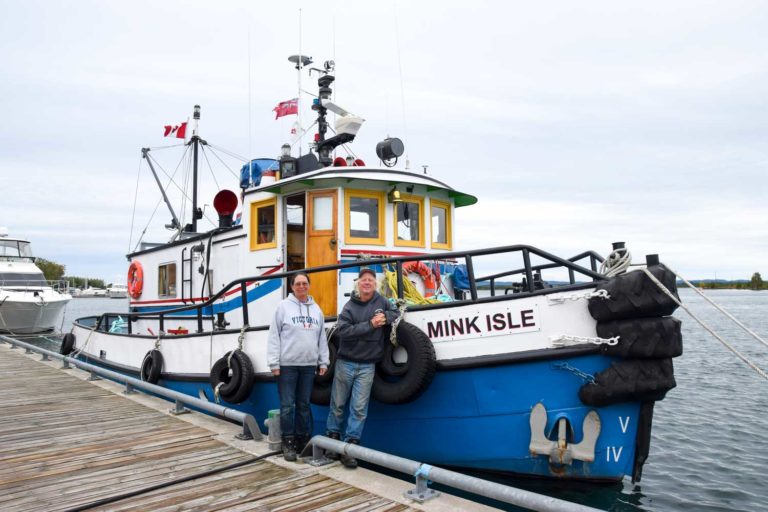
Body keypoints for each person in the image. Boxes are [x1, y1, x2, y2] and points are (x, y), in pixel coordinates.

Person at [326, 267, 400, 468]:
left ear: (375, 284)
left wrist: (387, 317)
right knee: (338, 404)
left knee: (359, 409)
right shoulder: (349, 306)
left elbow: (396, 312)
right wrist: (370, 325)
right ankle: (332, 444)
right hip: (346, 362)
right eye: (364, 280)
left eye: (370, 280)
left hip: (368, 365)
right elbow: (343, 331)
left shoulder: (382, 302)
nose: (367, 283)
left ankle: (350, 448)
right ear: (358, 283)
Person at [267, 272, 329, 461]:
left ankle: (304, 440)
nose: (302, 286)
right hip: (287, 366)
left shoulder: (316, 309)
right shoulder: (282, 307)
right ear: (292, 287)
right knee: (287, 406)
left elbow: (321, 338)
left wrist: (323, 361)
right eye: (298, 283)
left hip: (308, 366)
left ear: (309, 285)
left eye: (305, 283)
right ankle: (288, 441)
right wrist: (274, 363)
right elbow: (274, 336)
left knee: (303, 405)